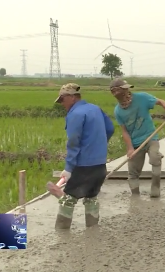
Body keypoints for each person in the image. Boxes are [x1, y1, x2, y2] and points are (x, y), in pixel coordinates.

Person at [46, 83, 115, 229]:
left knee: (68, 200)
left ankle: (62, 233)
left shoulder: (75, 114)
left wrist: (69, 168)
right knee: (91, 198)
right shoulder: (95, 109)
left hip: (84, 165)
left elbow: (73, 142)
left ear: (71, 97)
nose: (62, 104)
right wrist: (98, 146)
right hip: (100, 164)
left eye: (62, 100)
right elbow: (110, 128)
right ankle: (93, 231)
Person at [110, 78, 165, 197]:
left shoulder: (142, 98)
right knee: (133, 173)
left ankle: (155, 188)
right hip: (135, 143)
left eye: (126, 90)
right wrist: (130, 148)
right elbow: (124, 132)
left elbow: (160, 102)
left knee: (155, 157)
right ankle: (135, 196)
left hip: (150, 137)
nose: (126, 93)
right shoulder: (118, 111)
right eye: (121, 91)